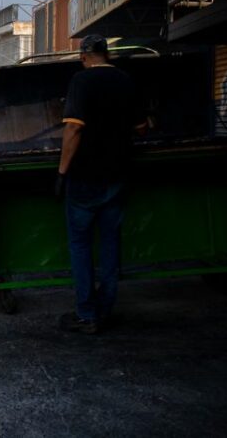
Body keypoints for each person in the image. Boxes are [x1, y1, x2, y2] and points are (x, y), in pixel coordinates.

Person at [56, 34, 147, 334]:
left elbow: (73, 130)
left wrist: (61, 172)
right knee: (110, 245)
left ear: (84, 57)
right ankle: (105, 310)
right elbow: (141, 127)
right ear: (106, 54)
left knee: (81, 245)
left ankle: (87, 315)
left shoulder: (81, 82)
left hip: (84, 178)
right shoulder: (126, 80)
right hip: (118, 176)